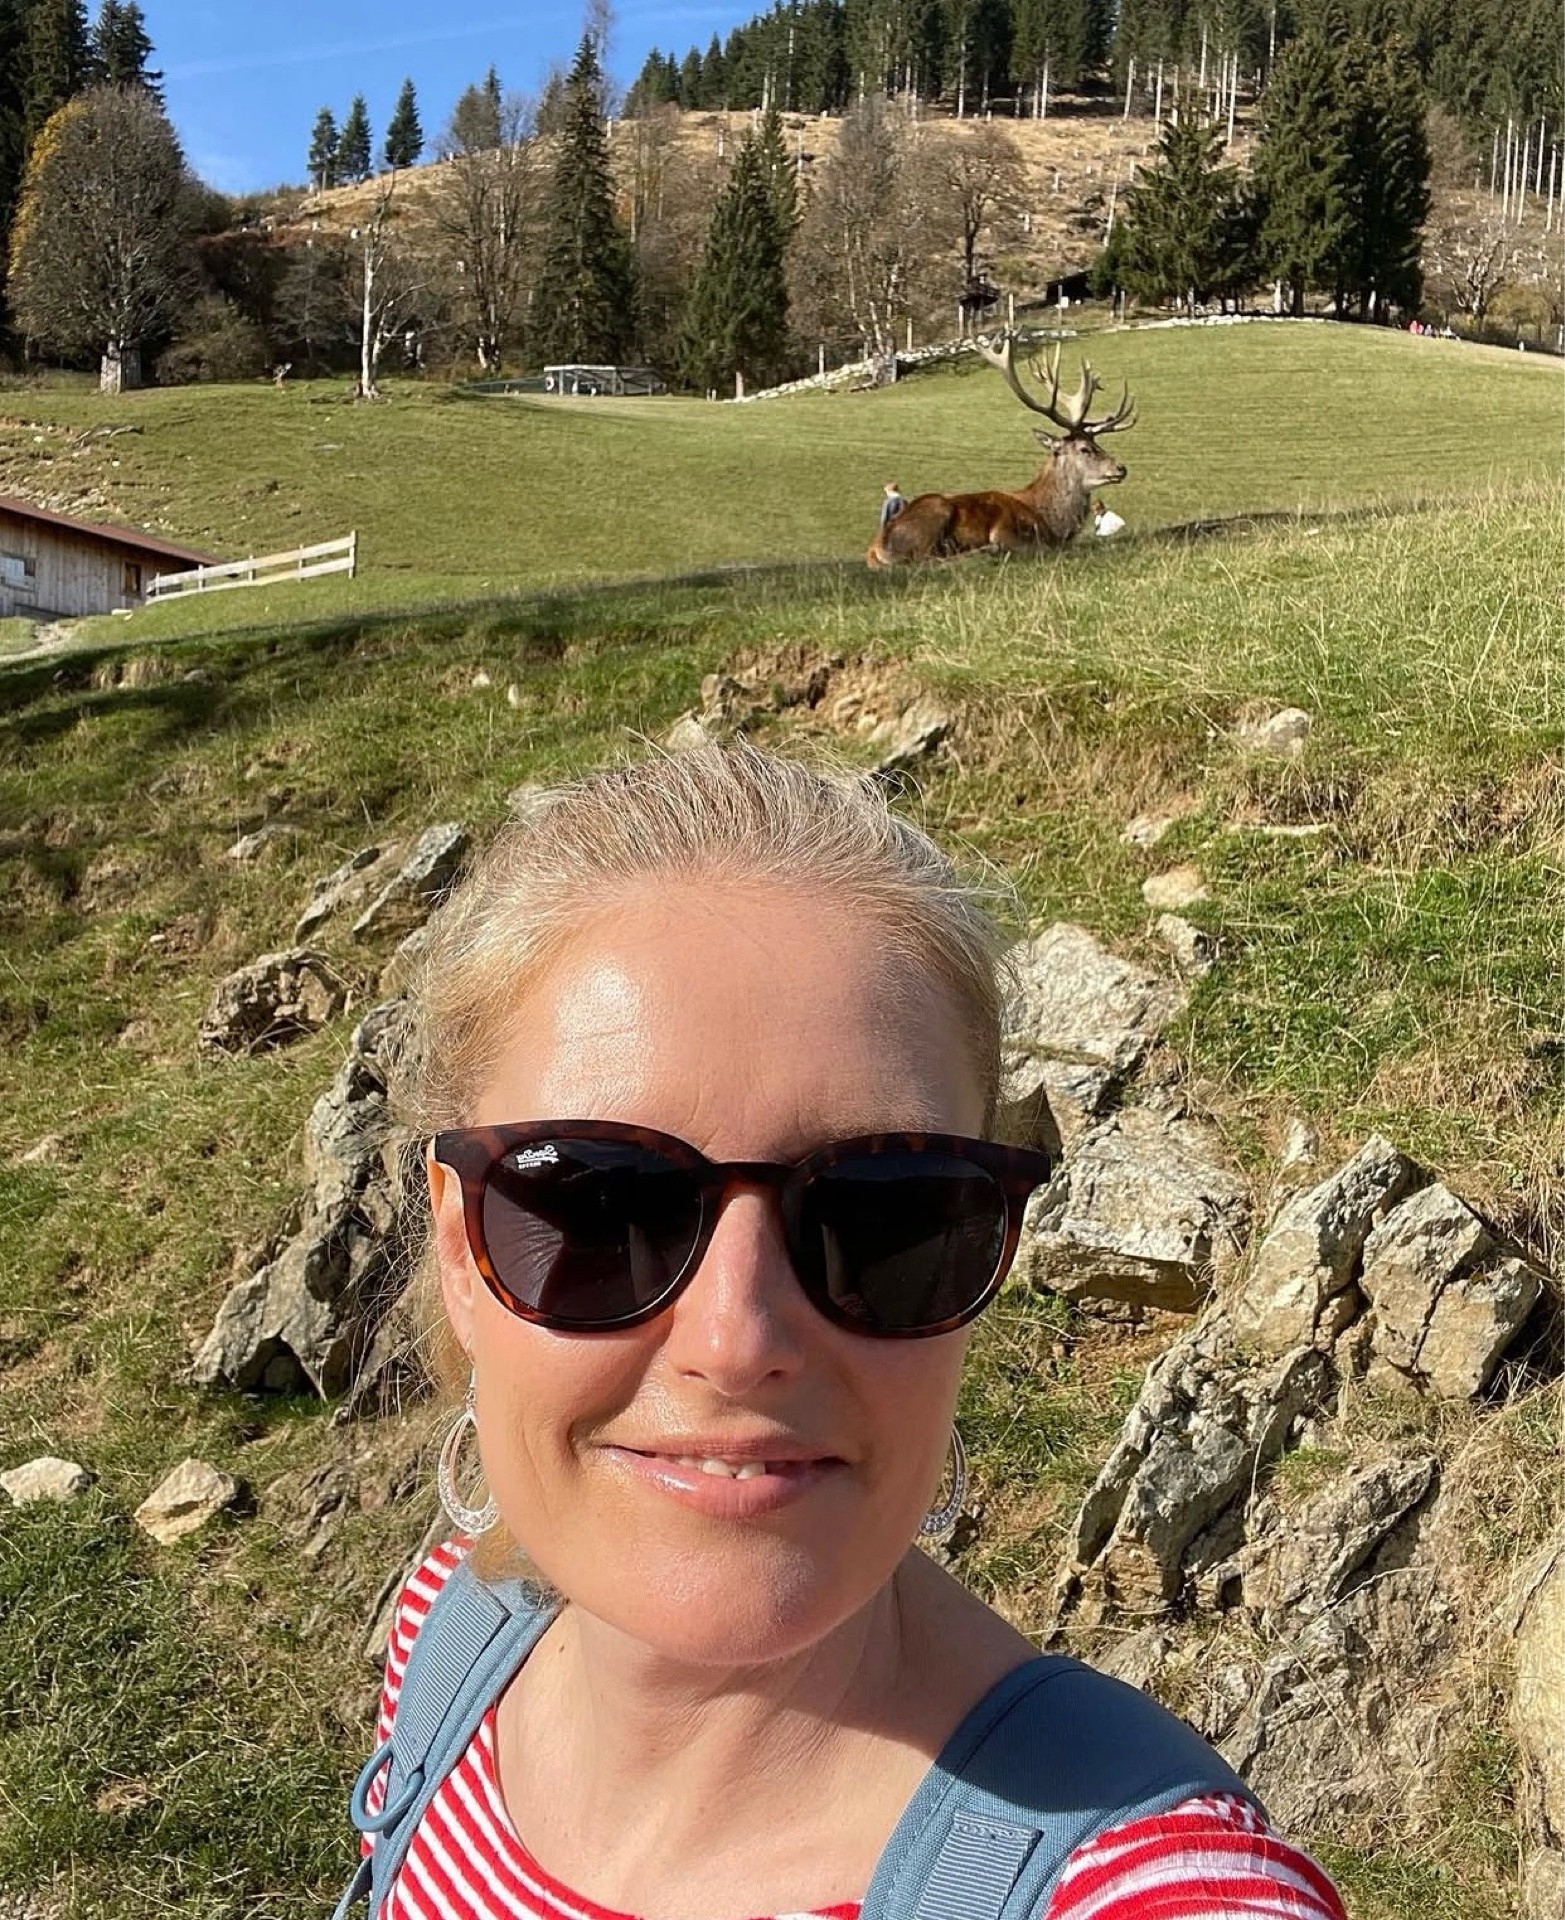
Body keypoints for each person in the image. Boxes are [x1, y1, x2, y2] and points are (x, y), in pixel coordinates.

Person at [342, 744, 1348, 1920]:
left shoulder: (1148, 1894)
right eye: (598, 1205)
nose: (737, 1338)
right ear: (458, 1249)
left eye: (884, 1214)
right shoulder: (452, 1636)